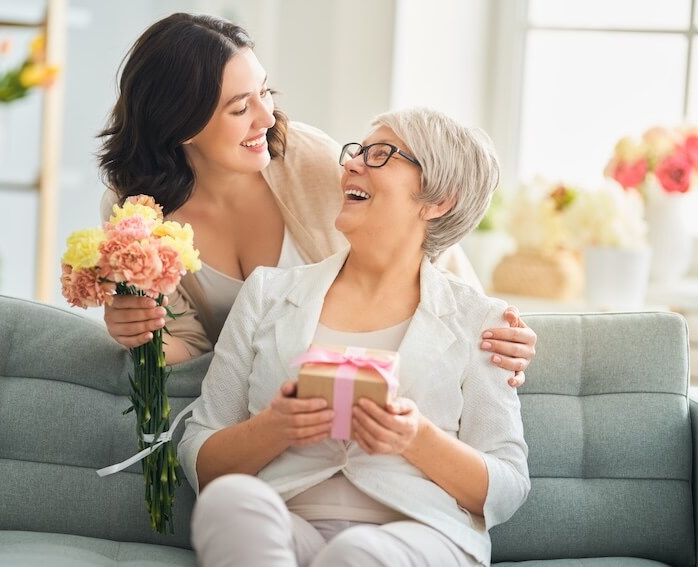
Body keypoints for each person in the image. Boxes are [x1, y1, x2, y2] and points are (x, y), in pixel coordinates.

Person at [98, 12, 535, 383]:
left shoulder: (308, 159)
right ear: (182, 127)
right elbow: (191, 347)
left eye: (264, 92)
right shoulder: (135, 214)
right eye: (239, 108)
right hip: (260, 394)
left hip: (359, 377)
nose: (267, 117)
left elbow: (422, 241)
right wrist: (140, 332)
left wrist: (493, 330)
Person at [177, 106, 530, 566]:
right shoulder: (268, 293)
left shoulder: (481, 320)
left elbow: (507, 487)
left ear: (438, 200)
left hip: (421, 534)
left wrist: (414, 437)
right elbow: (199, 453)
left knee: (357, 552)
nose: (352, 164)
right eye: (357, 151)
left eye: (382, 155)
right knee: (229, 503)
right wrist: (274, 427)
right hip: (286, 526)